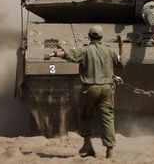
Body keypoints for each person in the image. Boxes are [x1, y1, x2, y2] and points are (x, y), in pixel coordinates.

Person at [44, 25, 123, 159]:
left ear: (89, 36)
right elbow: (120, 63)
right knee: (108, 118)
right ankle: (110, 151)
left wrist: (53, 54)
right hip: (106, 89)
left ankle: (87, 144)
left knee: (86, 115)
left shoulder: (86, 50)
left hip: (89, 89)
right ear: (102, 37)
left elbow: (69, 54)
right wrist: (121, 47)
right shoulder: (109, 50)